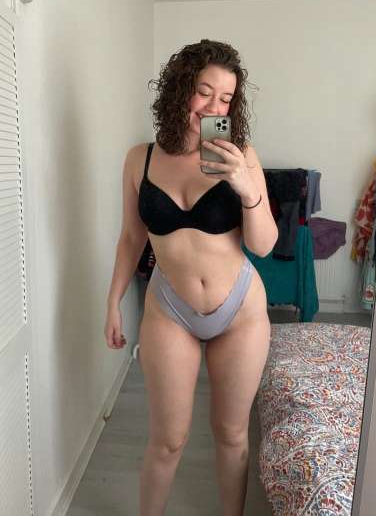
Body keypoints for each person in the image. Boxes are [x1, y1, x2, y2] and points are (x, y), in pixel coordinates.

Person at [104, 39, 278, 516]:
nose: (214, 107)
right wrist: (113, 301)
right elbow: (130, 238)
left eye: (226, 99)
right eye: (204, 92)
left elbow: (264, 244)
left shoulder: (242, 155)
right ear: (180, 89)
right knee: (167, 440)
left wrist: (245, 187)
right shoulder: (139, 159)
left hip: (239, 311)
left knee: (231, 435)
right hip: (170, 309)